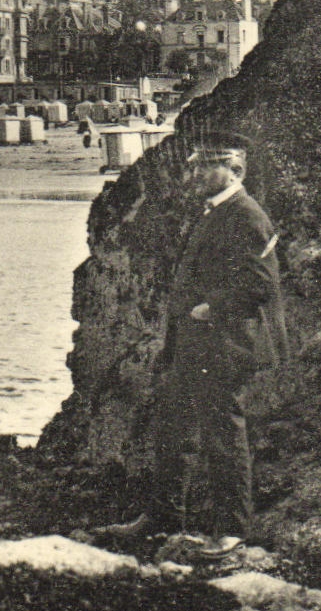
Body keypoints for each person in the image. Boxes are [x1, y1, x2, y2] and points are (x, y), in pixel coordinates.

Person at [99, 132, 282, 559]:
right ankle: (163, 517)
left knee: (223, 434)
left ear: (234, 170)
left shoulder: (247, 216)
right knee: (172, 427)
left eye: (205, 166)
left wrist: (210, 308)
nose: (194, 173)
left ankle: (232, 532)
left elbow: (261, 284)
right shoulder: (215, 212)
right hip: (193, 345)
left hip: (225, 345)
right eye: (194, 165)